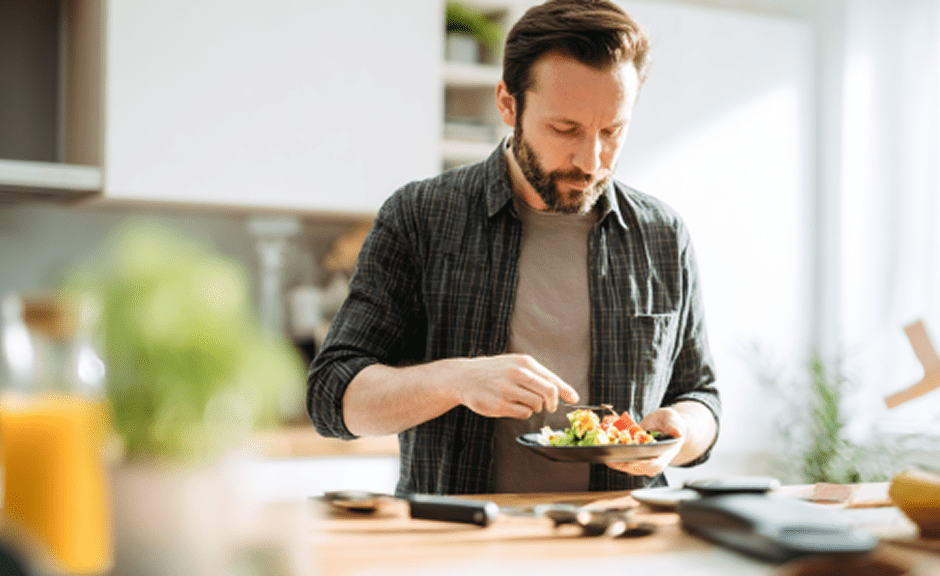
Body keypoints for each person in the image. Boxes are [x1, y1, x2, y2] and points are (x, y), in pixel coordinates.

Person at [307, 0, 720, 496]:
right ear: (508, 103)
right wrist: (456, 381)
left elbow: (701, 396)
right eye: (564, 130)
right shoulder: (420, 216)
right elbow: (333, 396)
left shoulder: (662, 234)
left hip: (620, 542)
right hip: (461, 544)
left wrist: (682, 430)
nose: (591, 161)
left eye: (612, 131)